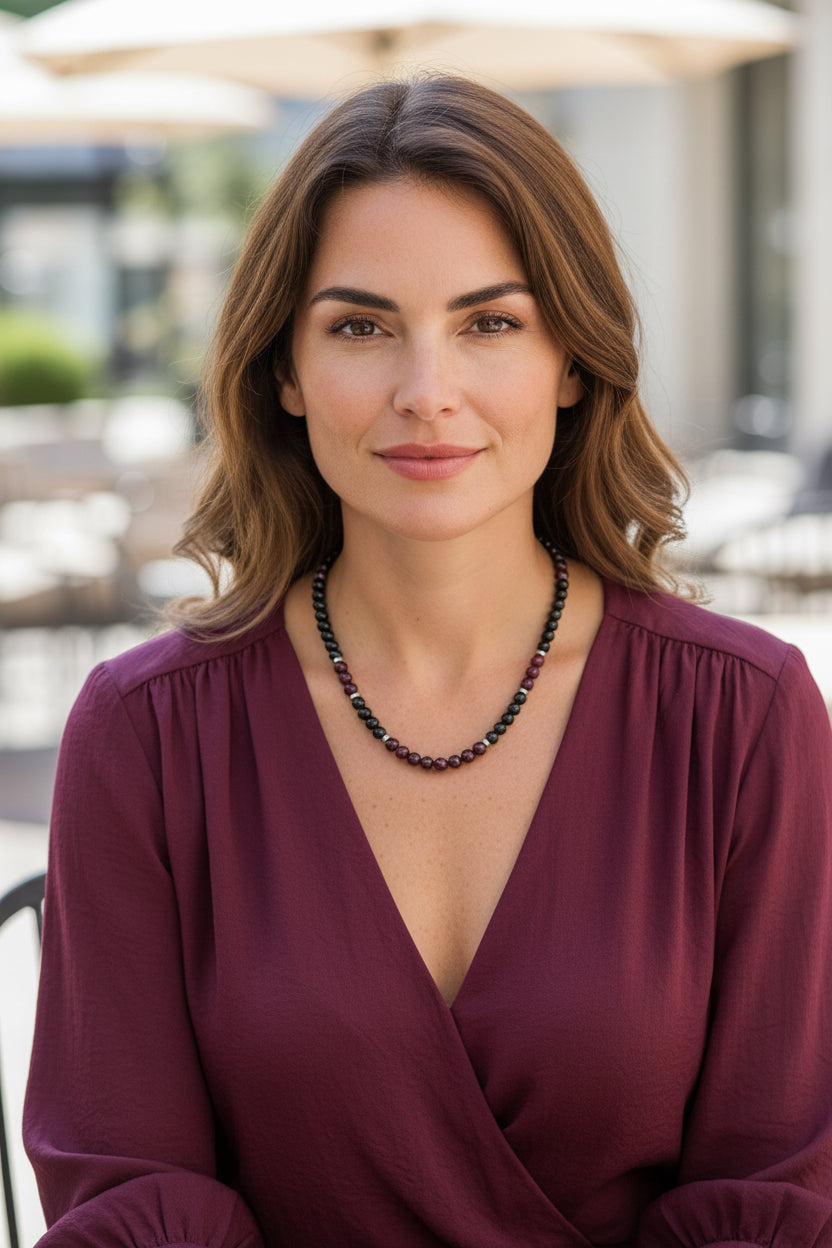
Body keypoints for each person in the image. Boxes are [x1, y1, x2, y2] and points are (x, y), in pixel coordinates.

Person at [23, 74, 832, 1248]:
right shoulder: (146, 734)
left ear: (571, 359)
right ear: (283, 371)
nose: (425, 394)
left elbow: (775, 1190)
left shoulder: (744, 716)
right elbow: (130, 1195)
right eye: (360, 327)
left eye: (488, 323)